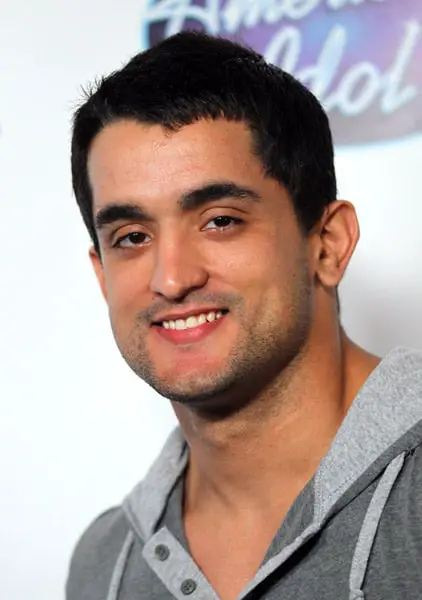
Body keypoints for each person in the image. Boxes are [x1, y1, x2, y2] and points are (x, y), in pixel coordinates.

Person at [66, 31, 422, 600]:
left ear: (327, 244)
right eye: (132, 236)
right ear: (102, 275)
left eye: (220, 221)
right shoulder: (102, 563)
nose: (172, 279)